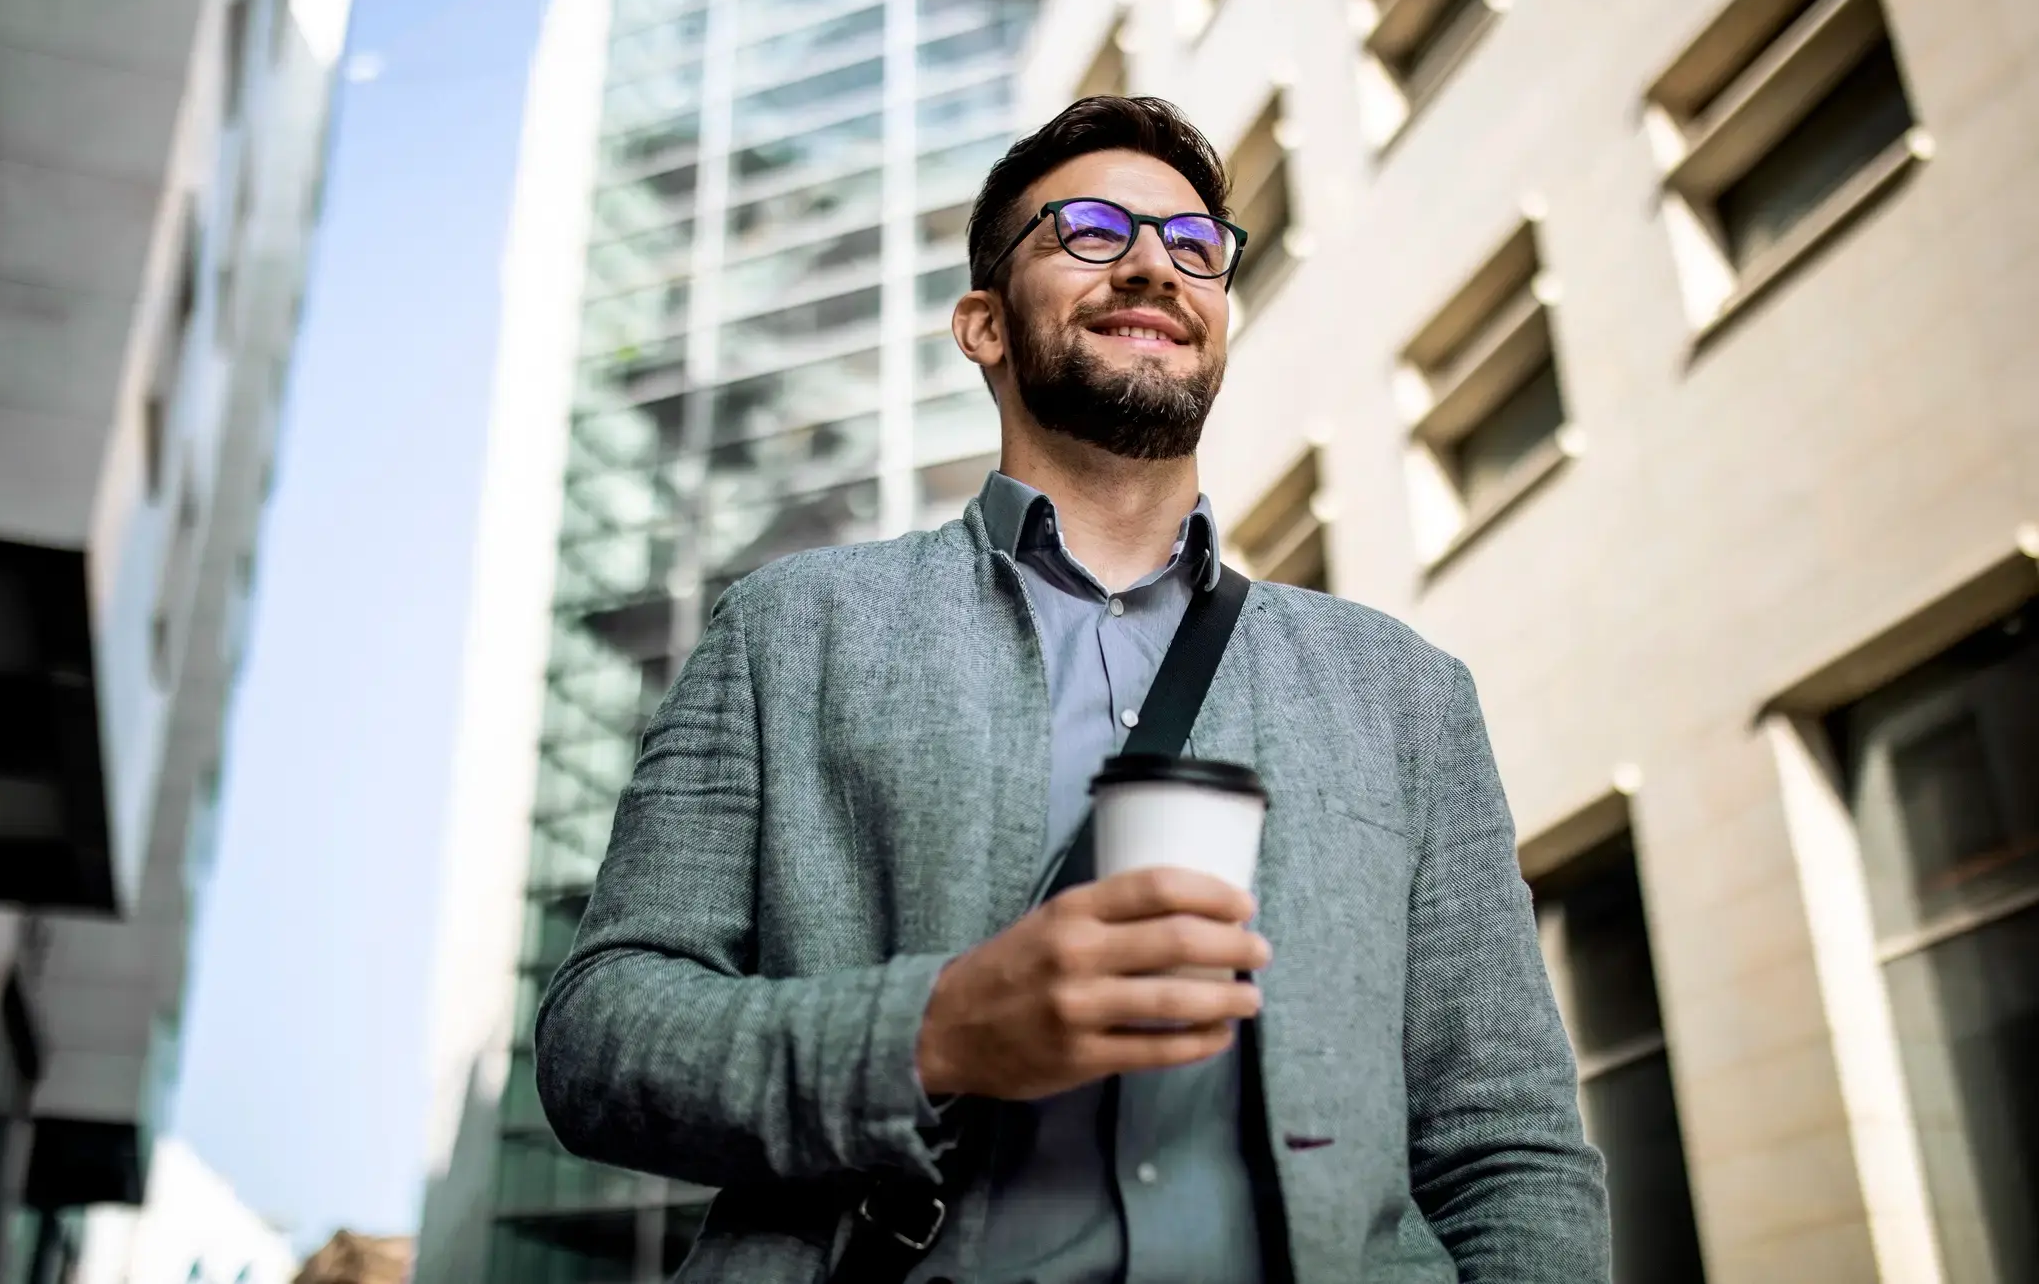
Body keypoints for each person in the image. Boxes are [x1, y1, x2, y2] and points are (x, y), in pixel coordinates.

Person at [535, 96, 1609, 1282]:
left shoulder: (1404, 691)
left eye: (1196, 247)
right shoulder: (787, 631)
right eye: (1091, 231)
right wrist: (934, 1031)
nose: (1155, 263)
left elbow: (1506, 1145)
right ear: (984, 324)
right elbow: (601, 1037)